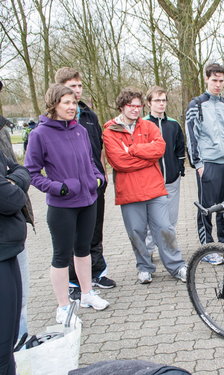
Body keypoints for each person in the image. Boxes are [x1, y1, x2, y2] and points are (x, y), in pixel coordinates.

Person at [25, 84, 109, 326]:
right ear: (54, 105)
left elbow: (91, 161)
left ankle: (87, 294)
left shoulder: (81, 130)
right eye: (66, 103)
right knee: (61, 255)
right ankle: (63, 306)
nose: (72, 107)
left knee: (83, 250)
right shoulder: (39, 134)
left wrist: (98, 178)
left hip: (88, 200)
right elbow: (31, 172)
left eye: (74, 103)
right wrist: (58, 187)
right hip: (62, 206)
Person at [103, 87, 187, 284]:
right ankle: (144, 267)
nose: (135, 109)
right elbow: (118, 162)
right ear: (122, 106)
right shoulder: (110, 131)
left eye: (138, 106)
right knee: (136, 231)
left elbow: (159, 149)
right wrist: (146, 158)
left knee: (165, 227)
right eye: (130, 106)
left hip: (154, 188)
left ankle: (177, 266)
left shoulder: (149, 126)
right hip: (130, 191)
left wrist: (133, 149)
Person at [54, 67, 116, 299]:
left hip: (95, 181)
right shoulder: (56, 120)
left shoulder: (90, 115)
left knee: (94, 230)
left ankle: (97, 271)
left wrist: (104, 170)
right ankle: (74, 280)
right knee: (73, 235)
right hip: (70, 188)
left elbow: (97, 146)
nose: (78, 91)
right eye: (72, 87)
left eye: (80, 86)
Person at [185, 63, 224, 263]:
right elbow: (191, 136)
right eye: (214, 80)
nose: (218, 84)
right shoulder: (196, 104)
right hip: (208, 164)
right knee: (207, 209)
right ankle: (208, 249)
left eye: (221, 81)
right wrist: (198, 164)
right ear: (207, 79)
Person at [0, 99, 31, 375]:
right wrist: (15, 181)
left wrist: (15, 178)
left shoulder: (2, 132)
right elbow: (8, 198)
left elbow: (19, 169)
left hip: (10, 244)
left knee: (9, 341)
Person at [143, 86, 185, 256]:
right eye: (157, 100)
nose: (161, 104)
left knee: (171, 219)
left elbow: (180, 149)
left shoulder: (174, 125)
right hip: (151, 182)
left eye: (163, 100)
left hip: (172, 180)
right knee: (151, 220)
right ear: (148, 103)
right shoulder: (143, 124)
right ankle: (148, 250)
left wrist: (179, 169)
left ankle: (168, 249)